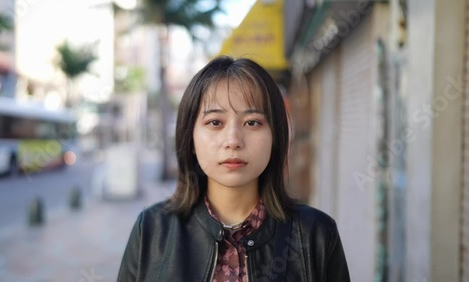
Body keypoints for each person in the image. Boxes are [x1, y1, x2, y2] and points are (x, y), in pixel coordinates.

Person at [117, 56, 350, 282]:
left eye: (252, 123)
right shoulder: (152, 229)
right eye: (215, 122)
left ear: (275, 137)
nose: (233, 140)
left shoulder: (316, 234)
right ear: (190, 138)